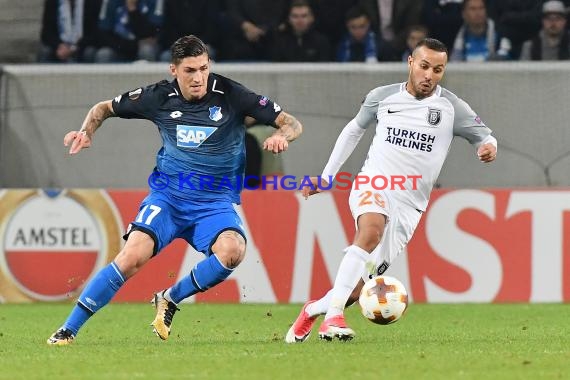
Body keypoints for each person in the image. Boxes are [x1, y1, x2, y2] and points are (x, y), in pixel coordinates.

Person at [47, 34, 303, 345]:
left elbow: (291, 122)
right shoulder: (157, 97)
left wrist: (283, 137)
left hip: (214, 202)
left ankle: (169, 298)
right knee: (132, 256)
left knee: (233, 251)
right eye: (190, 71)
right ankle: (68, 330)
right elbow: (103, 108)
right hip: (168, 197)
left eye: (203, 69)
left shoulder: (233, 94)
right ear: (174, 70)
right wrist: (86, 131)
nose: (199, 78)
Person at [285, 38, 497, 343]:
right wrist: (326, 177)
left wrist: (488, 148)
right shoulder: (381, 97)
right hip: (375, 183)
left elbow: (486, 138)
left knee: (357, 290)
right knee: (370, 231)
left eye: (438, 70)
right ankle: (333, 318)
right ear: (410, 62)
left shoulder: (451, 107)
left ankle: (314, 310)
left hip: (411, 205)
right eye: (424, 66)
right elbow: (353, 130)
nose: (429, 75)